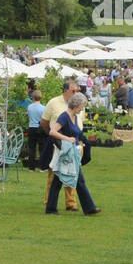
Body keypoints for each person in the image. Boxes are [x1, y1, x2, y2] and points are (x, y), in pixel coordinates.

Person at [44, 93, 101, 216]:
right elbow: (52, 132)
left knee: (62, 181)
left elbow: (77, 134)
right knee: (72, 180)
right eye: (82, 106)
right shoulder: (64, 117)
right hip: (65, 154)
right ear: (76, 105)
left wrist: (87, 142)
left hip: (72, 154)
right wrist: (67, 138)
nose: (82, 109)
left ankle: (52, 208)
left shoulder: (74, 116)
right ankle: (89, 208)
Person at [41, 78, 80, 211]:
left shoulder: (78, 103)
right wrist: (53, 136)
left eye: (77, 90)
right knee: (54, 173)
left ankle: (71, 202)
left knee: (72, 172)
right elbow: (44, 122)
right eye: (73, 91)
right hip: (58, 143)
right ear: (65, 91)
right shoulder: (54, 102)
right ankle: (49, 201)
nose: (75, 93)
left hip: (74, 143)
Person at [24, 88, 45, 169]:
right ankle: (42, 166)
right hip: (40, 128)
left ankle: (31, 167)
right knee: (41, 148)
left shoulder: (29, 107)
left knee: (32, 148)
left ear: (32, 97)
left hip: (31, 127)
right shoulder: (43, 108)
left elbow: (29, 118)